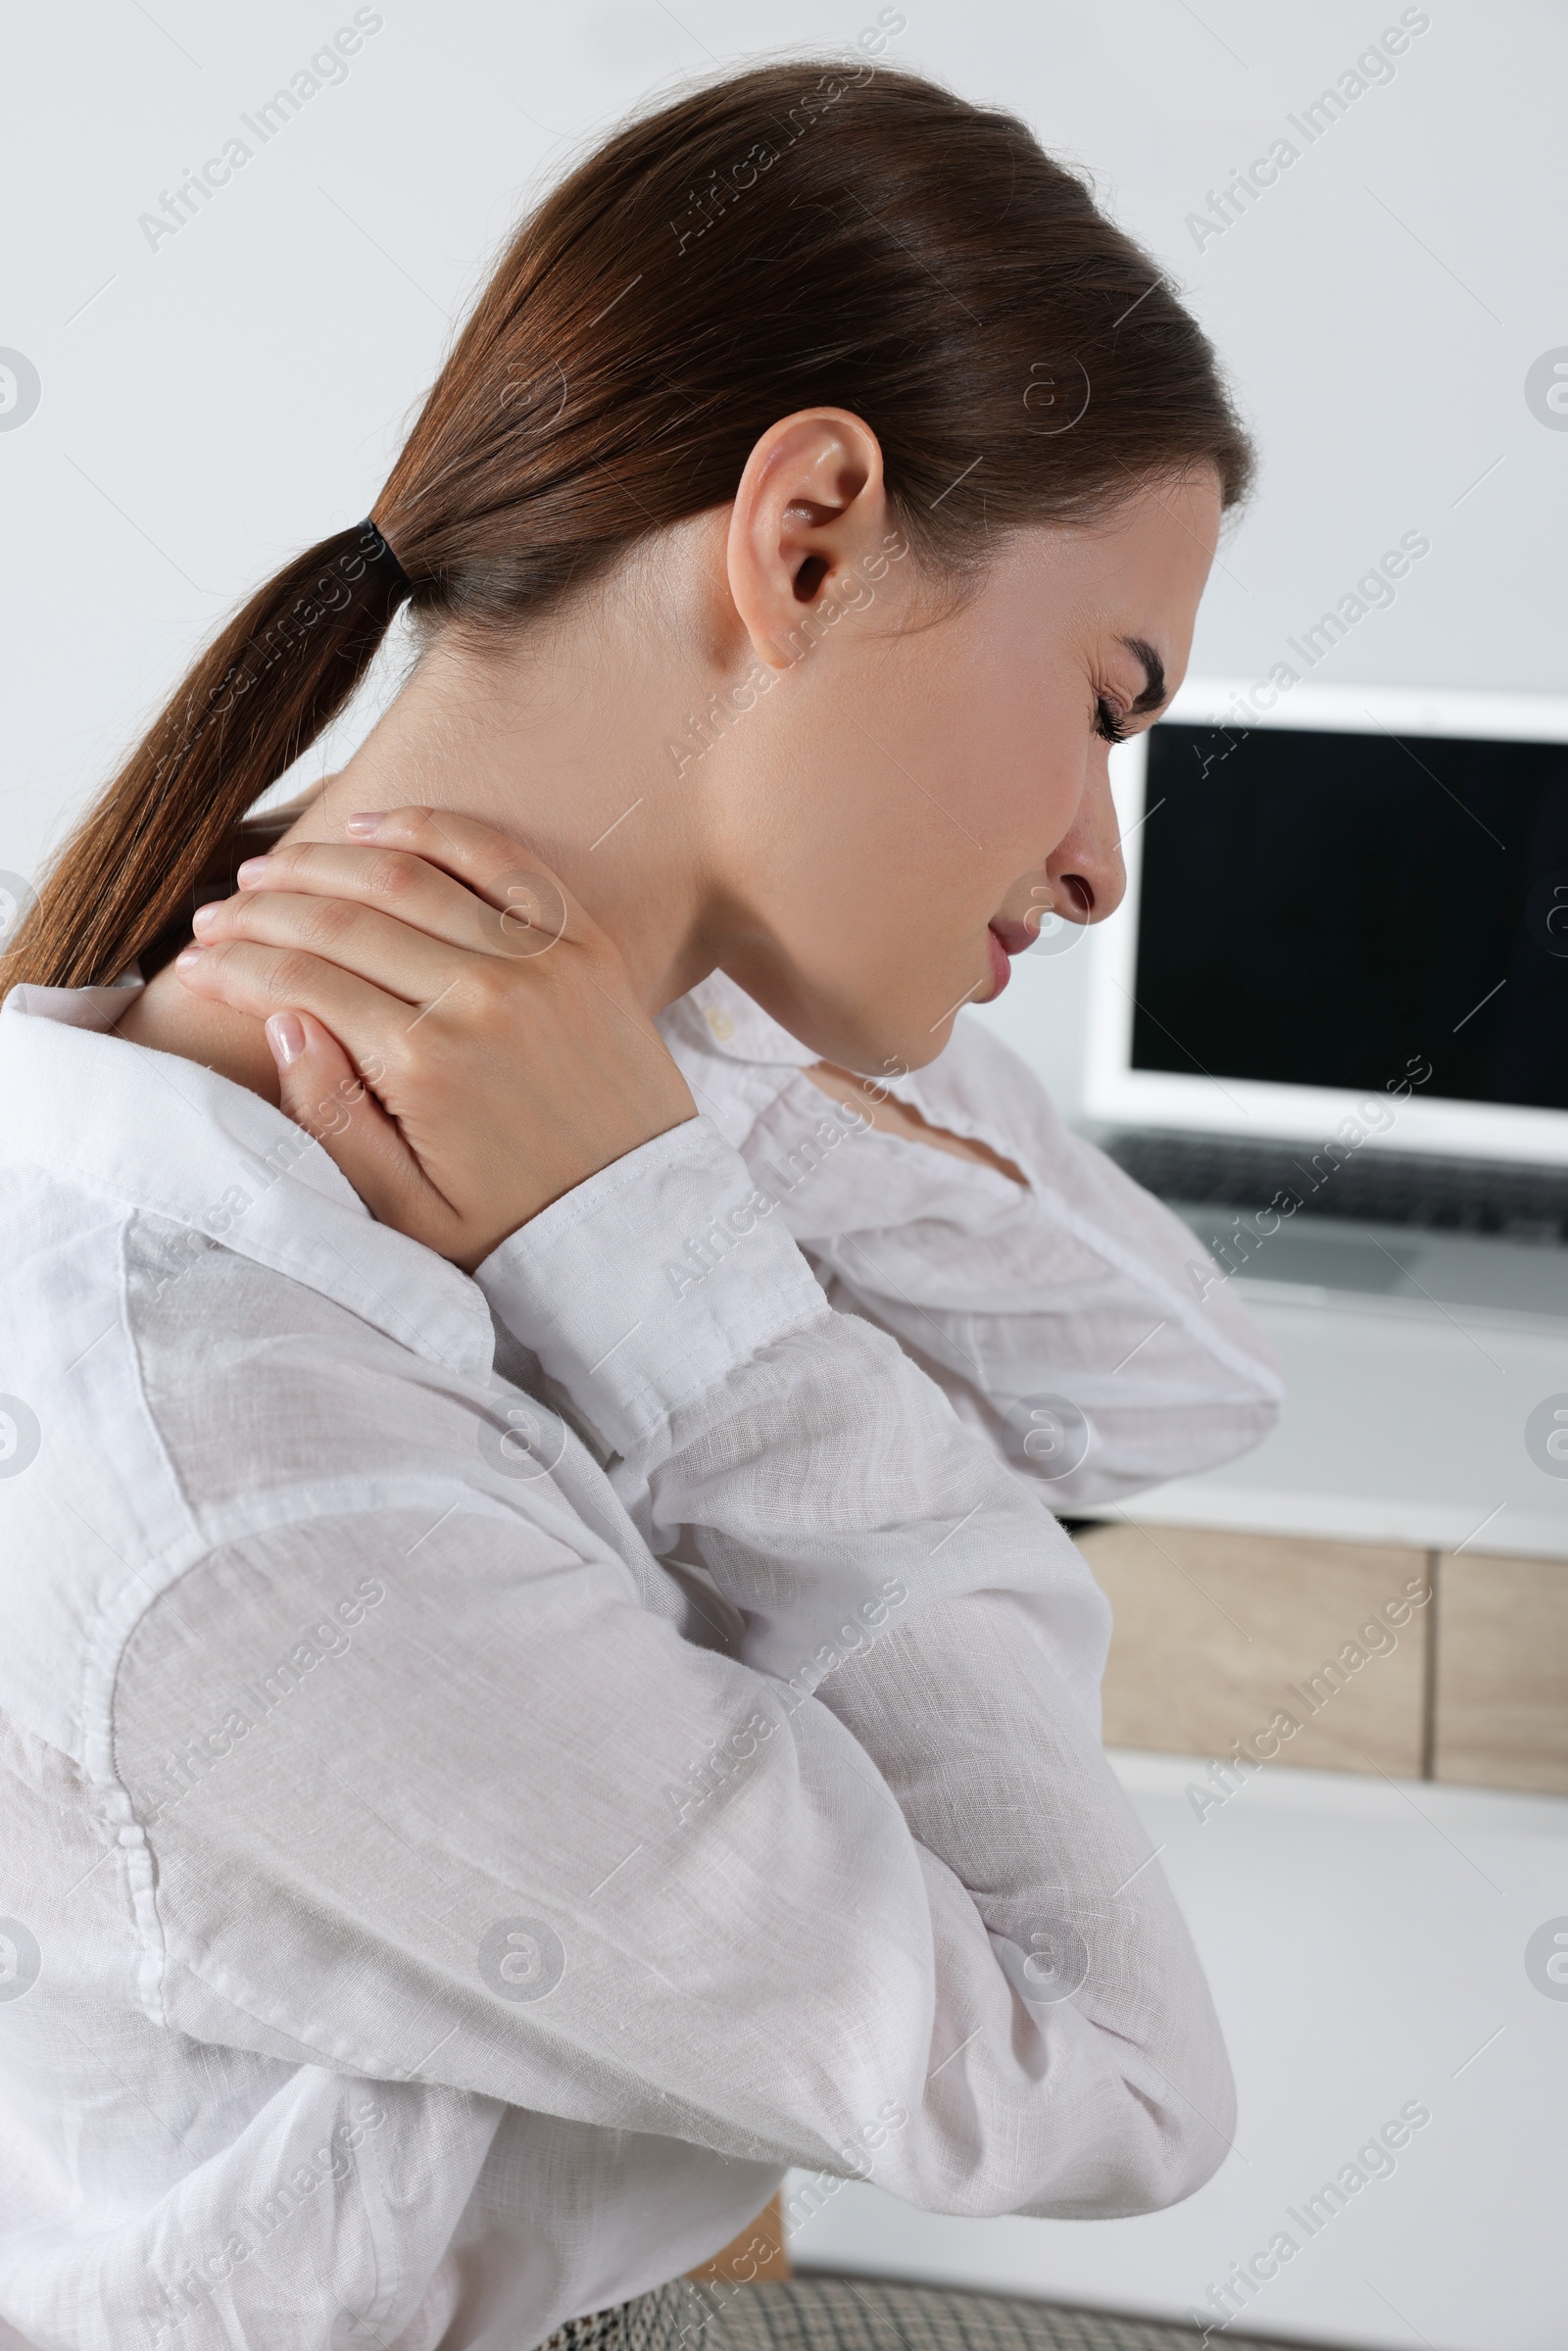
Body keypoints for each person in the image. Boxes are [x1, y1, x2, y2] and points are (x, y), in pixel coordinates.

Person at [0, 58, 1282, 2351]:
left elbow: (1170, 1382)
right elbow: (1105, 2079)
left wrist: (655, 1099)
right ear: (805, 535)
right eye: (1104, 701)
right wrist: (641, 1242)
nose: (1097, 854)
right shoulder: (227, 1453)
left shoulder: (604, 1078)